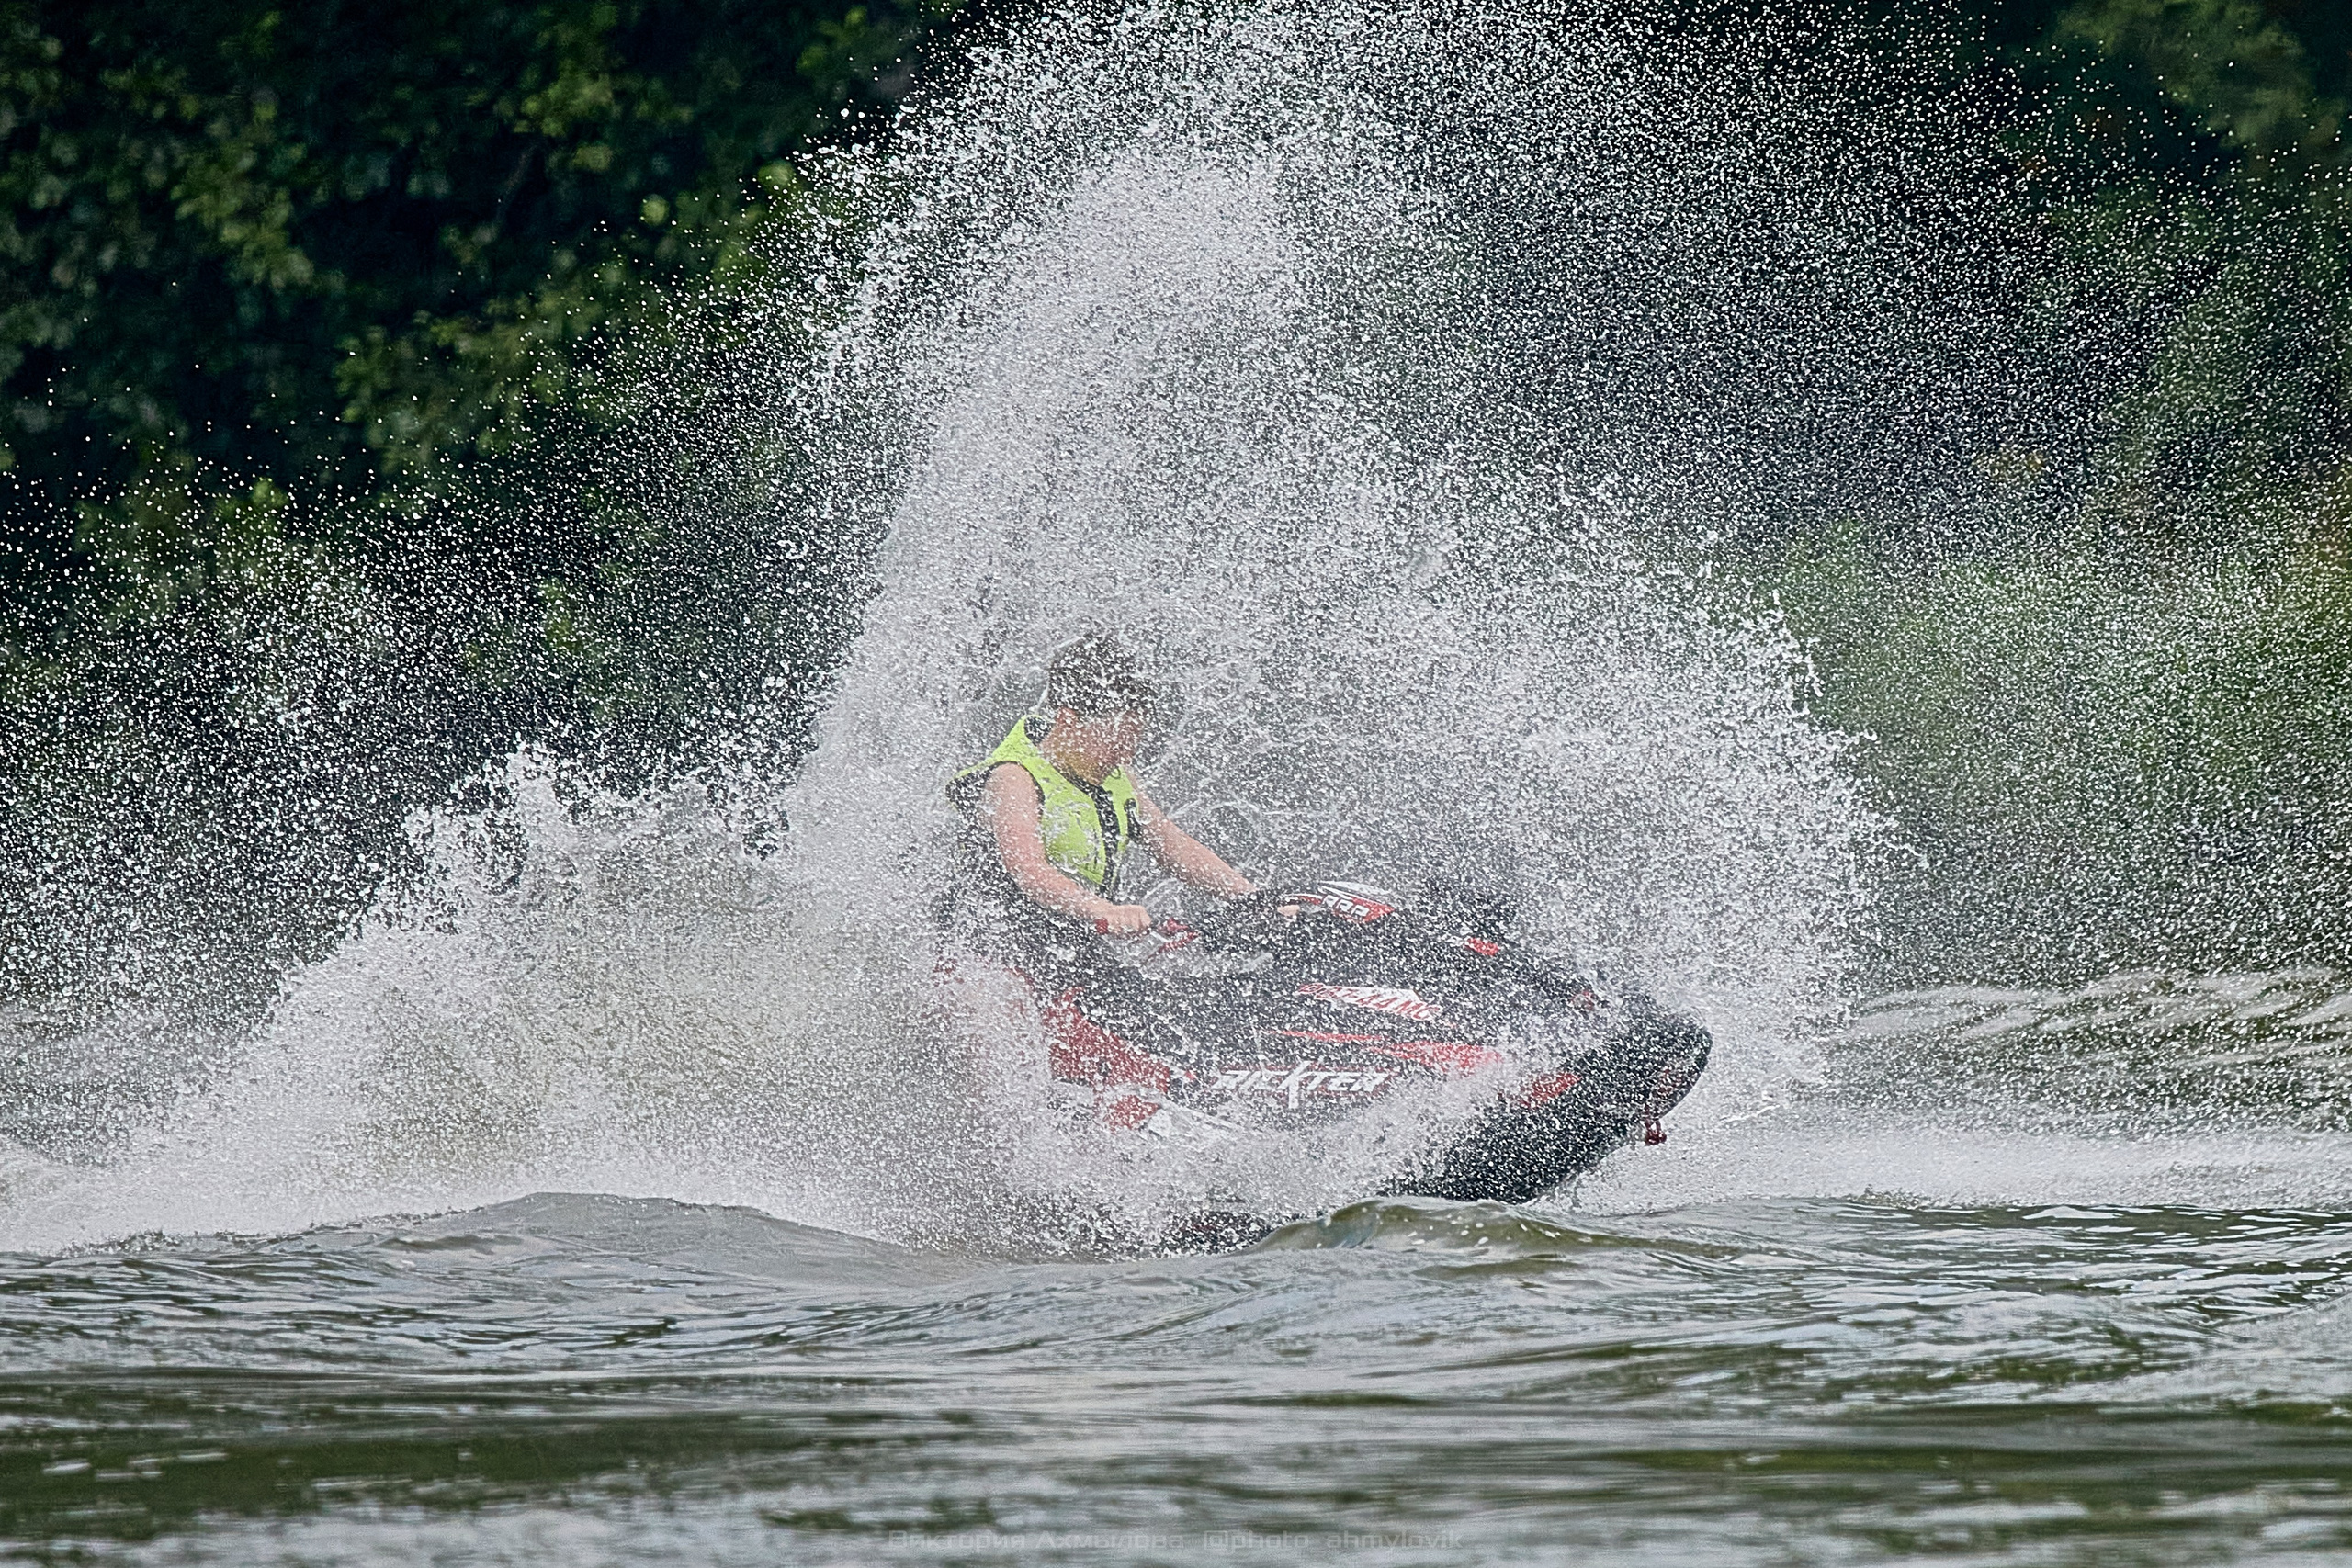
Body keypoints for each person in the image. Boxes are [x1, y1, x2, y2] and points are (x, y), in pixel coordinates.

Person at [944, 634, 1255, 980]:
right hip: (988, 953)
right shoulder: (1014, 778)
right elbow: (1030, 872)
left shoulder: (1115, 777)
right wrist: (1102, 909)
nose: (1124, 756)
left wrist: (1252, 898)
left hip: (1065, 948)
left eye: (1133, 743)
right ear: (1068, 720)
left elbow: (1174, 847)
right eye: (1117, 742)